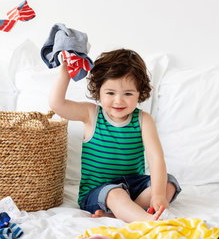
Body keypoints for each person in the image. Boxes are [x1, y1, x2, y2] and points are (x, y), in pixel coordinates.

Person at [49, 48, 181, 223]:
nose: (119, 101)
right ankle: (150, 224)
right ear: (99, 91)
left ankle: (119, 212)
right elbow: (57, 105)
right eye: (110, 93)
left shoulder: (143, 120)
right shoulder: (90, 114)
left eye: (128, 93)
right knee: (115, 193)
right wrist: (65, 73)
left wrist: (158, 195)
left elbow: (156, 158)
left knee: (168, 183)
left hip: (133, 185)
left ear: (140, 93)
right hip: (98, 192)